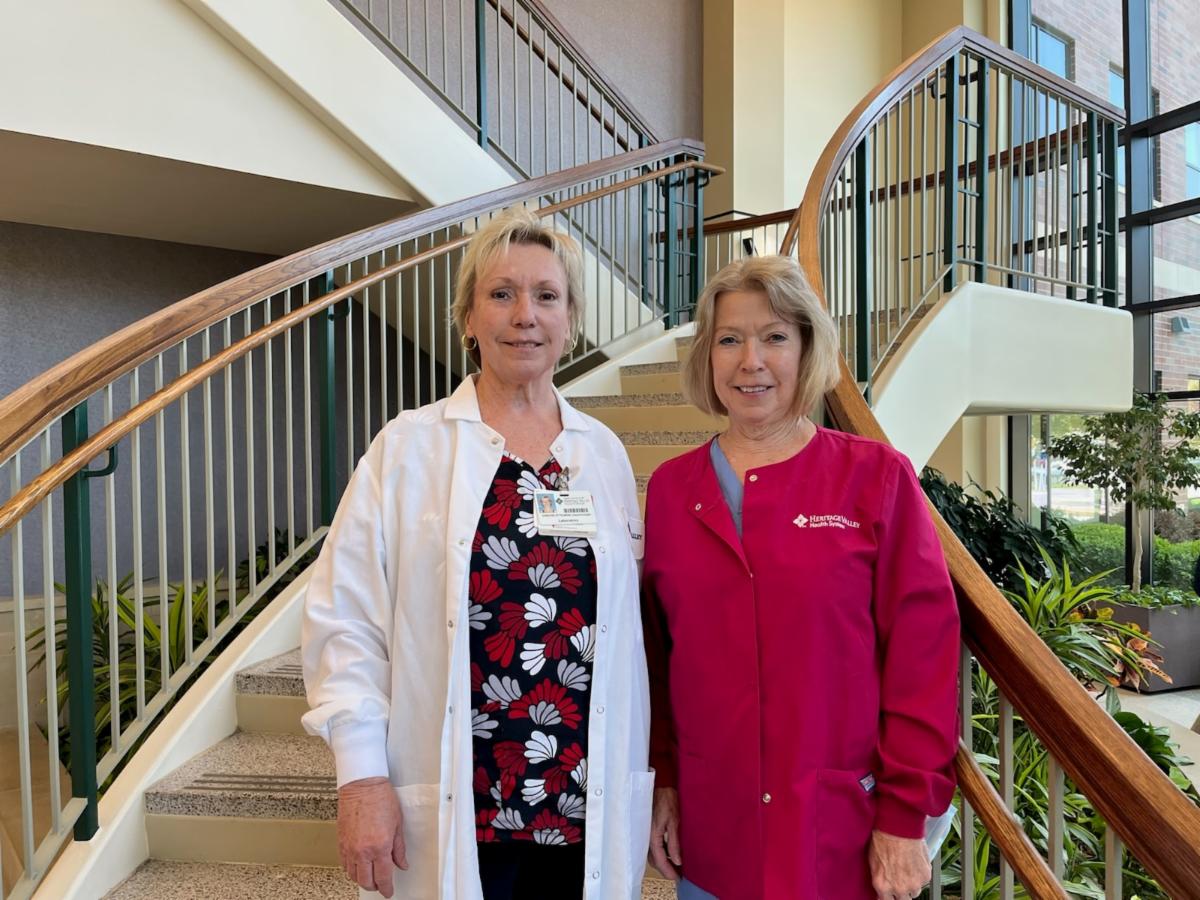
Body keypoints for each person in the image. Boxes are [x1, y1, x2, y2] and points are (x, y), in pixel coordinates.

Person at [302, 208, 653, 900]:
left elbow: (627, 631)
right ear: (467, 317)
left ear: (570, 320)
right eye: (501, 294)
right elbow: (345, 619)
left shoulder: (602, 453)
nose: (526, 315)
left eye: (546, 296)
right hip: (462, 801)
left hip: (583, 807)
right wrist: (361, 776)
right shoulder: (408, 447)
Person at [641, 256, 959, 900]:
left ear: (808, 349)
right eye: (729, 339)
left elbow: (922, 659)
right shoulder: (672, 489)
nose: (750, 361)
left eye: (775, 337)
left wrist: (904, 816)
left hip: (838, 833)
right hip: (714, 826)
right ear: (707, 356)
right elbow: (657, 658)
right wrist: (662, 782)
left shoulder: (876, 477)